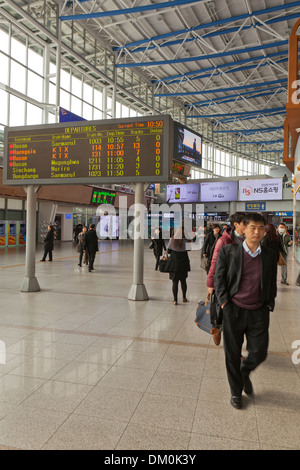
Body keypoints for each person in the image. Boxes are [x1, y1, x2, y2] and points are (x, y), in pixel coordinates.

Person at [214, 213, 277, 410]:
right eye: (252, 227)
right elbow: (219, 279)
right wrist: (224, 303)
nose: (257, 232)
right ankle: (235, 392)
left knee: (259, 352)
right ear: (243, 228)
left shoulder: (269, 255)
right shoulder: (229, 251)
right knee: (232, 353)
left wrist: (268, 304)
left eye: (261, 228)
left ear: (264, 231)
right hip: (233, 310)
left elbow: (271, 281)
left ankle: (245, 370)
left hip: (259, 310)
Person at [206, 212, 245, 345]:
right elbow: (214, 262)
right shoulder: (224, 240)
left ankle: (236, 351)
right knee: (220, 311)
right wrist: (211, 284)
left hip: (243, 285)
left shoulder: (249, 239)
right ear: (236, 225)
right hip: (226, 283)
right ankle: (217, 327)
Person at [167, 226, 191, 305]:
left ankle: (175, 300)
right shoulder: (187, 240)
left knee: (175, 282)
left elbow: (169, 251)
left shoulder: (172, 239)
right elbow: (189, 249)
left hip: (174, 263)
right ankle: (184, 297)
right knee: (183, 281)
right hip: (183, 263)